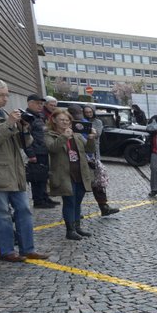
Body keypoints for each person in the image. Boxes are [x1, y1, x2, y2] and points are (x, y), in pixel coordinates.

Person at [0, 77, 49, 261]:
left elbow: (24, 143)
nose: (5, 98)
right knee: (2, 214)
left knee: (24, 210)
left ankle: (28, 248)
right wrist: (9, 124)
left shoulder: (4, 113)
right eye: (1, 95)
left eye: (6, 95)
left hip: (15, 171)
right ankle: (7, 251)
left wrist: (24, 130)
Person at [46, 108, 96, 240]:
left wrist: (91, 139)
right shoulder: (50, 134)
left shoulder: (77, 135)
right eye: (62, 120)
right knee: (69, 201)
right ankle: (70, 230)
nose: (65, 122)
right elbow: (52, 149)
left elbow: (89, 149)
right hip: (64, 174)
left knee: (77, 201)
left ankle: (77, 227)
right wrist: (64, 136)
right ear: (54, 121)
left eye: (67, 120)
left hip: (79, 172)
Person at [81, 105, 119, 216]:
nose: (88, 114)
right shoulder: (79, 122)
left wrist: (90, 132)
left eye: (90, 112)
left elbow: (97, 134)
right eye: (86, 112)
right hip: (82, 155)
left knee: (98, 183)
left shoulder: (97, 122)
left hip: (93, 154)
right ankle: (76, 211)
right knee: (82, 184)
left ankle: (104, 207)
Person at [22, 94, 57, 209]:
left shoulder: (38, 116)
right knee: (37, 177)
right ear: (30, 103)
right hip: (36, 151)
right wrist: (31, 154)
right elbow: (25, 136)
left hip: (43, 150)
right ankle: (38, 200)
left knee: (44, 176)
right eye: (37, 103)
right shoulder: (27, 117)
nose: (40, 106)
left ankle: (44, 197)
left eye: (41, 104)